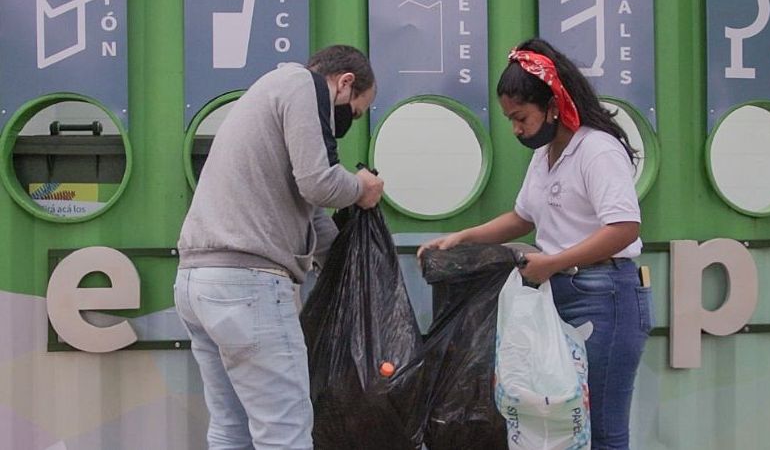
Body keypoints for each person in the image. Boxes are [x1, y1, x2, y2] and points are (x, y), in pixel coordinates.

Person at [419, 37, 652, 450]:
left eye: (520, 117)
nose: (516, 129)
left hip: (605, 296)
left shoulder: (596, 150)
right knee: (559, 425)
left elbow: (624, 228)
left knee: (601, 427)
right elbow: (524, 217)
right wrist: (462, 237)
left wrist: (555, 261)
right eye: (510, 119)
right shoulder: (545, 154)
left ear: (553, 103)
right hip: (556, 293)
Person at [174, 45, 384, 450]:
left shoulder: (268, 93)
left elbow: (311, 211)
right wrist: (363, 188)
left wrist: (350, 262)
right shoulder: (301, 84)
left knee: (230, 427)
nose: (349, 123)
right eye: (355, 112)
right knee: (284, 432)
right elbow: (320, 184)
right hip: (246, 287)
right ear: (345, 83)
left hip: (197, 281)